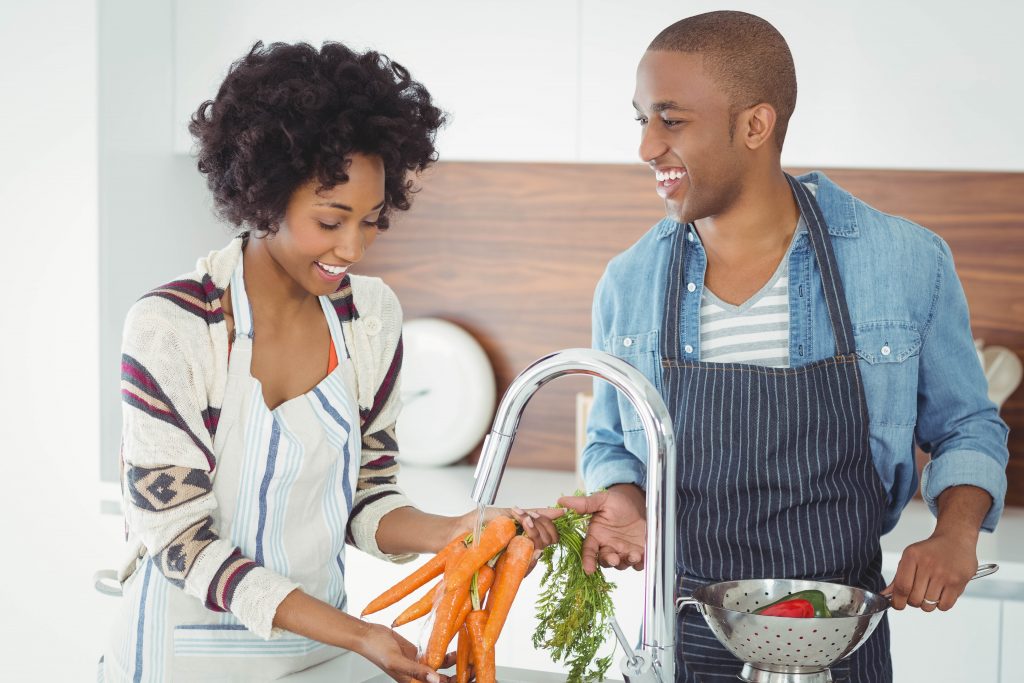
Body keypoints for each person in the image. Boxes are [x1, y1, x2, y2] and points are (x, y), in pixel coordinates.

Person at [559, 11, 1009, 681]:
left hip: (842, 637)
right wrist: (623, 496)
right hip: (684, 635)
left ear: (755, 125)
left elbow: (968, 425)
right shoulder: (630, 281)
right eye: (642, 120)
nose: (647, 147)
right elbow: (610, 442)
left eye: (671, 120)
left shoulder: (903, 261)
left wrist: (955, 533)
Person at [101, 41, 560, 683]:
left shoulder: (369, 318)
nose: (354, 247)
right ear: (264, 196)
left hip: (317, 656)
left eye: (371, 222)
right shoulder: (175, 326)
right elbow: (178, 543)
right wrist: (361, 634)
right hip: (183, 657)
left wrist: (458, 529)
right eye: (330, 219)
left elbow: (367, 499)